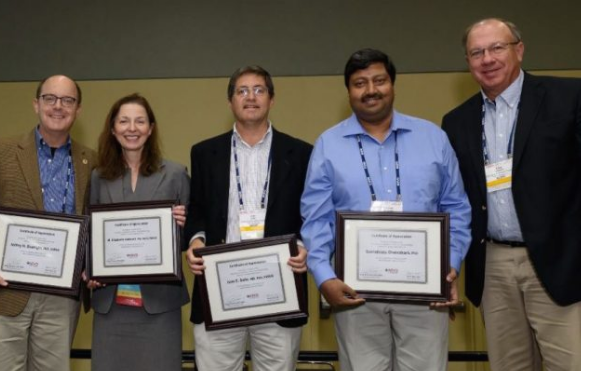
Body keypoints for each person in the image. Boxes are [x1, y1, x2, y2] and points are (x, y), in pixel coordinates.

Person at [300, 48, 471, 371]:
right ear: (349, 91)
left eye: (379, 80)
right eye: (359, 83)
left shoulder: (433, 138)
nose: (370, 90)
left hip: (425, 291)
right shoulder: (328, 144)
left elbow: (456, 208)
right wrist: (324, 277)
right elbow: (317, 219)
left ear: (393, 84)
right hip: (354, 293)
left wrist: (449, 265)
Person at [442, 18, 580, 371]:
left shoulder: (571, 98)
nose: (487, 58)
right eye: (477, 52)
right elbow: (454, 199)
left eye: (496, 47)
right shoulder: (455, 121)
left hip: (560, 261)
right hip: (493, 264)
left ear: (519, 49)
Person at [185, 65, 312, 371]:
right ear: (230, 101)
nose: (251, 97)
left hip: (279, 288)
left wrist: (307, 245)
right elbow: (196, 210)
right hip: (219, 288)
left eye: (259, 90)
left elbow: (312, 214)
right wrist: (195, 241)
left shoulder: (302, 153)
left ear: (272, 99)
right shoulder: (204, 153)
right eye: (242, 91)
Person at [0, 75, 97, 371]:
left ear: (78, 109)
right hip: (3, 290)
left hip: (61, 298)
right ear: (36, 104)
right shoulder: (0, 151)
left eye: (68, 100)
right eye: (50, 98)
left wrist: (94, 263)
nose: (58, 106)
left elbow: (94, 225)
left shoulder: (92, 161)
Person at [87, 93, 190, 371]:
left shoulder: (176, 174)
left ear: (151, 128)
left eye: (140, 121)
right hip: (111, 305)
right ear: (112, 128)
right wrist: (89, 269)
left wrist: (183, 224)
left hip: (159, 306)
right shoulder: (98, 176)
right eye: (124, 121)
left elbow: (188, 240)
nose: (132, 128)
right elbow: (90, 232)